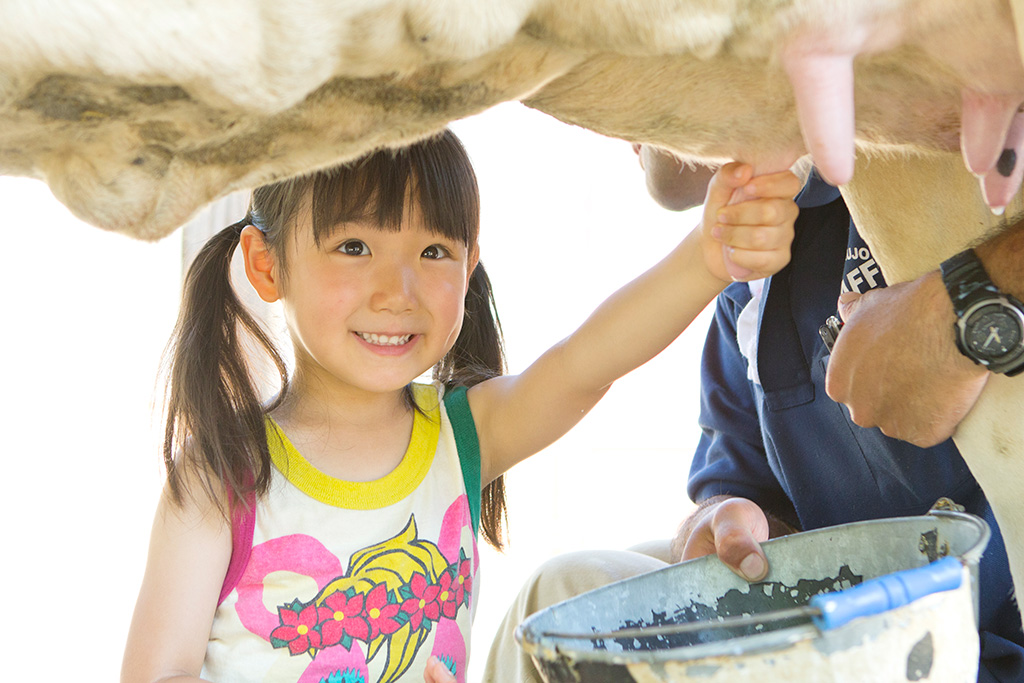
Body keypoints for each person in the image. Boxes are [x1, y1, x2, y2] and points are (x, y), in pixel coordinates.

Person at [120, 131, 801, 683]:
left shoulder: (459, 435)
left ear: (470, 265)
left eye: (433, 250)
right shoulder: (220, 474)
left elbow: (585, 362)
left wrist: (709, 256)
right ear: (266, 264)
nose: (398, 288)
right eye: (354, 246)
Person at [479, 146, 1024, 683]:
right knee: (564, 590)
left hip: (969, 642)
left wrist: (963, 303)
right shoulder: (750, 281)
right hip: (831, 614)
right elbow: (739, 488)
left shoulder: (928, 165)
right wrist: (721, 519)